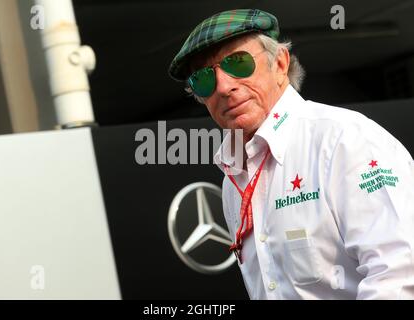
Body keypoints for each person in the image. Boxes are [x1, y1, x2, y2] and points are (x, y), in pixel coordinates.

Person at [168, 8, 414, 299]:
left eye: (237, 63)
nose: (224, 86)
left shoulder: (344, 139)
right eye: (204, 79)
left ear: (280, 64)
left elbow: (400, 275)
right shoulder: (233, 177)